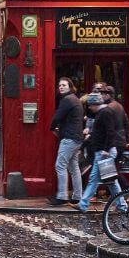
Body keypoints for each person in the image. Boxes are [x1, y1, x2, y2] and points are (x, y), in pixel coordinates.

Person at [77, 93, 126, 212]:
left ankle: (83, 204)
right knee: (111, 181)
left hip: (104, 153)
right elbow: (100, 132)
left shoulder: (105, 113)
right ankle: (122, 205)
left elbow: (110, 132)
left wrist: (106, 149)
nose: (89, 107)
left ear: (95, 104)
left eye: (90, 105)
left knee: (94, 179)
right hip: (103, 151)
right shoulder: (102, 113)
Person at [48, 77, 83, 206]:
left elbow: (58, 115)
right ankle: (77, 196)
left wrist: (52, 127)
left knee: (60, 165)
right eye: (60, 85)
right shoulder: (75, 99)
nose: (61, 87)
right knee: (74, 167)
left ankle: (62, 196)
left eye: (64, 85)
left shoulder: (67, 100)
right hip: (77, 138)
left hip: (69, 138)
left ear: (70, 87)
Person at [102, 85, 129, 152]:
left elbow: (109, 130)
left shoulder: (108, 108)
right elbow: (127, 124)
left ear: (108, 95)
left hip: (113, 143)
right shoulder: (119, 106)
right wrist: (127, 139)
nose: (101, 96)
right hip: (121, 142)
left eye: (103, 94)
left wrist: (106, 148)